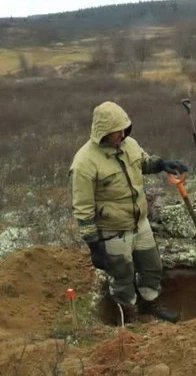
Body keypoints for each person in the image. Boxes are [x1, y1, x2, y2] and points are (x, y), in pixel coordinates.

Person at [69, 101, 188, 323]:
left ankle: (149, 306)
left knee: (152, 267)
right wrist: (94, 246)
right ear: (103, 132)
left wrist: (163, 164)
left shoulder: (129, 144)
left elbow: (144, 162)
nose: (123, 134)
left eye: (125, 128)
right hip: (113, 230)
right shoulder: (84, 163)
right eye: (117, 131)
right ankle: (129, 318)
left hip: (140, 223)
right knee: (122, 277)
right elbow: (82, 210)